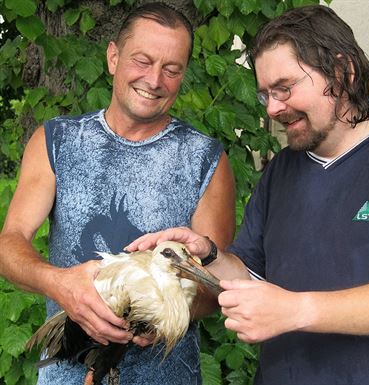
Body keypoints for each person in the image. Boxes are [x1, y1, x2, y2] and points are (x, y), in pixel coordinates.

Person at [126, 4, 369, 385]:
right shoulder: (283, 169)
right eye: (265, 94)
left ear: (342, 72)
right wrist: (208, 254)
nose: (273, 108)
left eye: (284, 89)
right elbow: (249, 277)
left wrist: (294, 309)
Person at [0, 2, 235, 385]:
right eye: (142, 60)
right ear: (113, 57)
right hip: (65, 374)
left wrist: (153, 321)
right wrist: (60, 285)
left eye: (171, 69)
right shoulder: (56, 141)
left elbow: (213, 284)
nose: (155, 79)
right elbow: (9, 246)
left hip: (168, 376)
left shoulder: (206, 159)